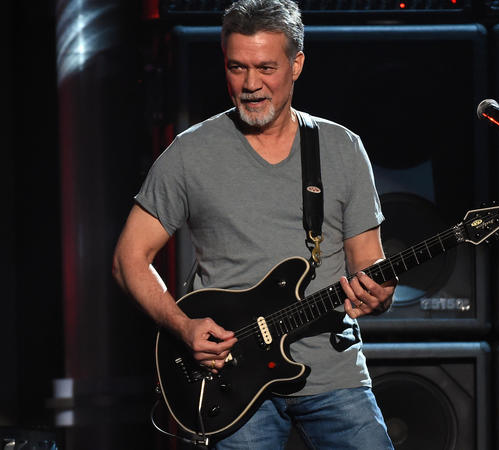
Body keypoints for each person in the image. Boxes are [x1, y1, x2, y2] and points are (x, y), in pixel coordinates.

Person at [111, 0, 396, 448]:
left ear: (296, 64)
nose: (250, 85)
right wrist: (182, 326)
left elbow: (369, 268)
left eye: (266, 67)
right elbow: (129, 258)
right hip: (230, 380)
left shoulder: (341, 148)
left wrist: (378, 296)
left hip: (333, 373)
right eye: (237, 67)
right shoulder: (190, 152)